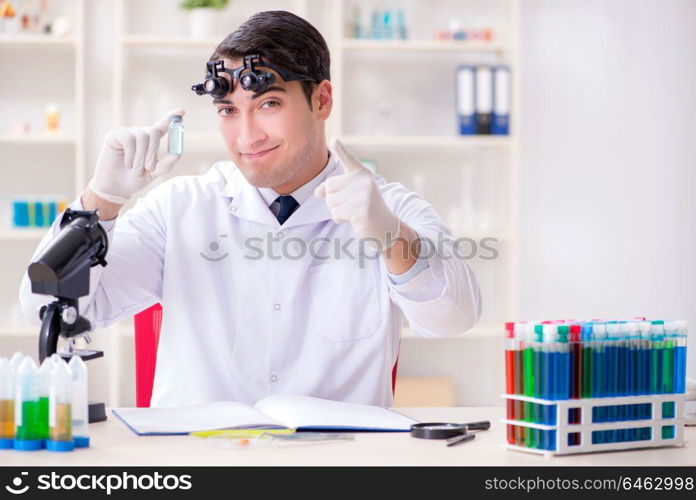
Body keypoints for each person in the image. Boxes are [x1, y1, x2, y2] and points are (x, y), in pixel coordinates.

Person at [19, 10, 481, 408]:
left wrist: (390, 238)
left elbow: (454, 317)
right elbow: (42, 306)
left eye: (269, 104)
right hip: (200, 469)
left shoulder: (386, 207)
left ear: (321, 100)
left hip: (335, 466)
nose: (247, 136)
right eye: (227, 111)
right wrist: (101, 202)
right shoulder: (178, 209)